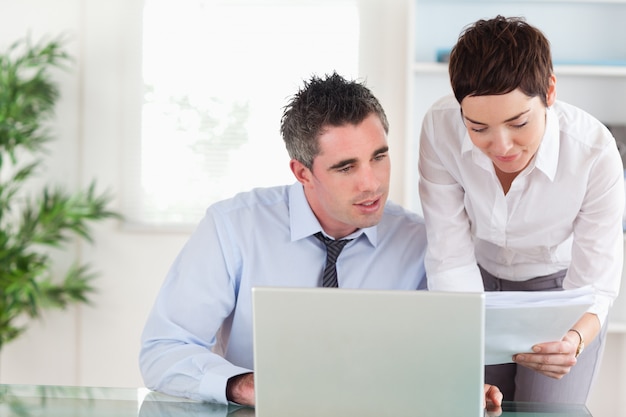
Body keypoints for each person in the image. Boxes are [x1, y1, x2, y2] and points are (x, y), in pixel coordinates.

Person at [140, 72, 503, 409]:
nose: (371, 183)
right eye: (346, 167)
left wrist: (457, 382)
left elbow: (436, 357)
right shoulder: (233, 228)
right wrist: (243, 384)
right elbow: (164, 350)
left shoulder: (423, 242)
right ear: (302, 172)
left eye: (379, 157)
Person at [418, 16, 624, 404]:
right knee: (474, 403)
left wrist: (574, 340)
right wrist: (462, 349)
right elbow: (448, 255)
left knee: (546, 409)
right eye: (478, 128)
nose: (502, 146)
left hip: (560, 292)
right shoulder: (439, 128)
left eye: (518, 123)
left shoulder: (595, 152)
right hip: (474, 283)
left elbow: (595, 283)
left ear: (549, 91)